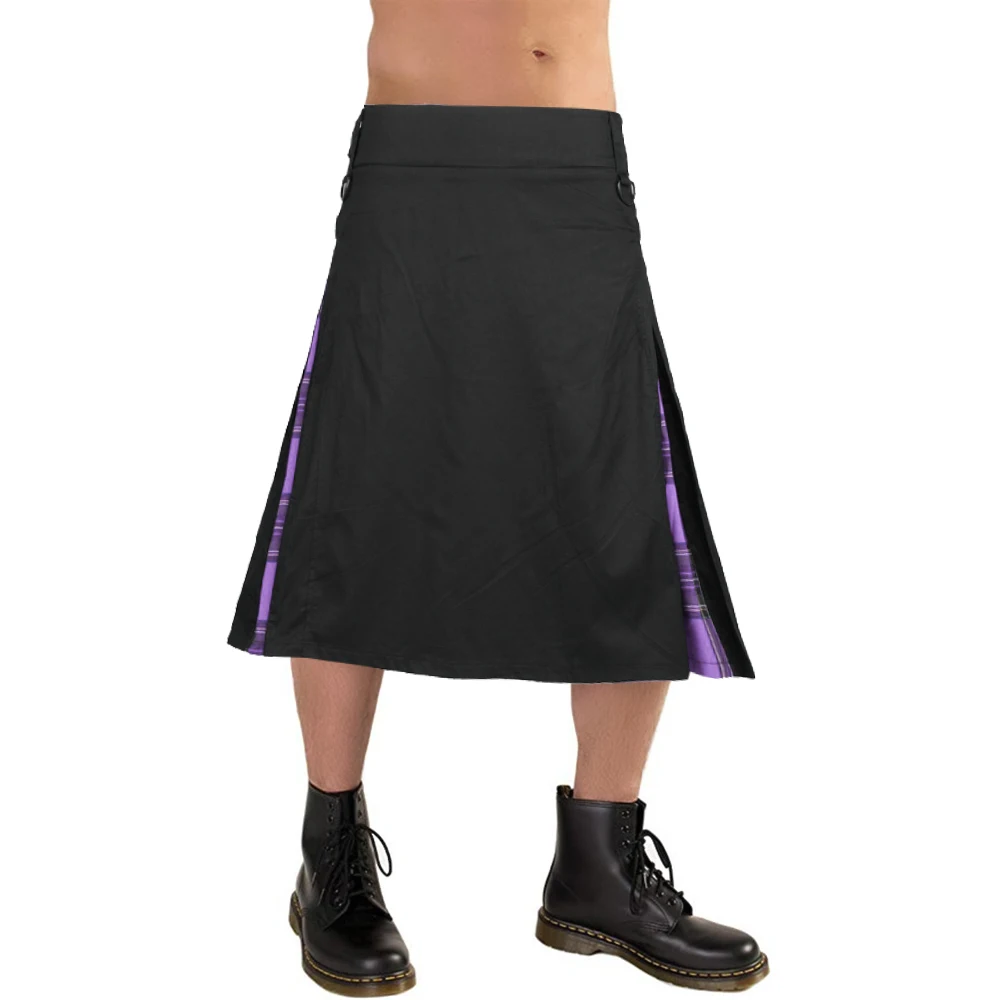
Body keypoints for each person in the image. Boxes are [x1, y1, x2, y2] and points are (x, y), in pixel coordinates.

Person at [228, 1, 767, 993]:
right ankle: (330, 860)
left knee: (616, 495)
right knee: (359, 495)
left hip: (572, 164)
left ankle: (599, 871)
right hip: (415, 164)